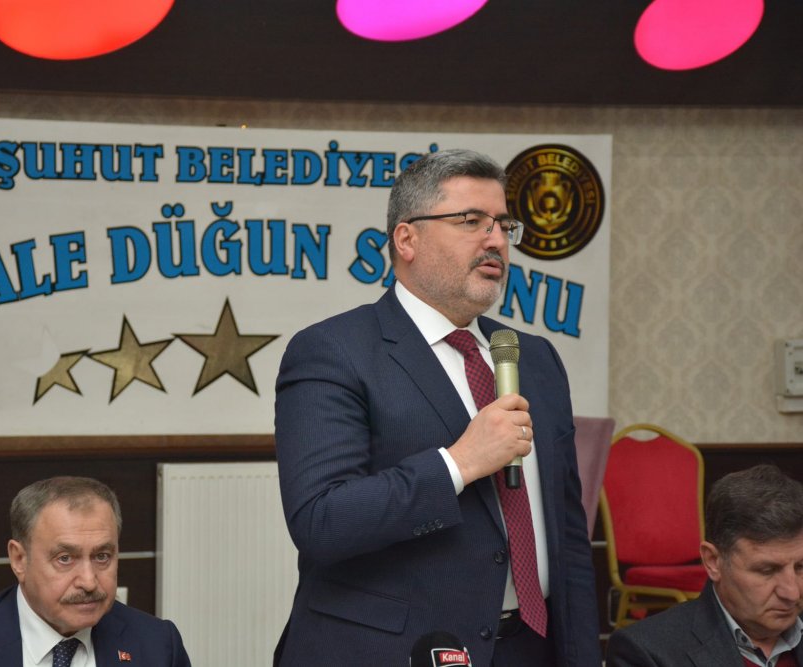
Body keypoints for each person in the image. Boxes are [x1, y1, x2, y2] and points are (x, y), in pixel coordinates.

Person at [273, 148, 600, 666]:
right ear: (407, 239)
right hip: (394, 652)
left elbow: (568, 534)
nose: (496, 240)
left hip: (529, 647)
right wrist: (458, 464)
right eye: (471, 221)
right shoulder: (334, 350)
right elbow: (322, 521)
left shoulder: (535, 358)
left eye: (502, 225)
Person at [0, 476, 191, 667]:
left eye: (102, 556)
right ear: (19, 559)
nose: (89, 582)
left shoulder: (158, 645)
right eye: (65, 558)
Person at [606, 464, 803, 667]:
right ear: (713, 562)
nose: (792, 593)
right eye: (767, 570)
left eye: (801, 567)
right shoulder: (645, 652)